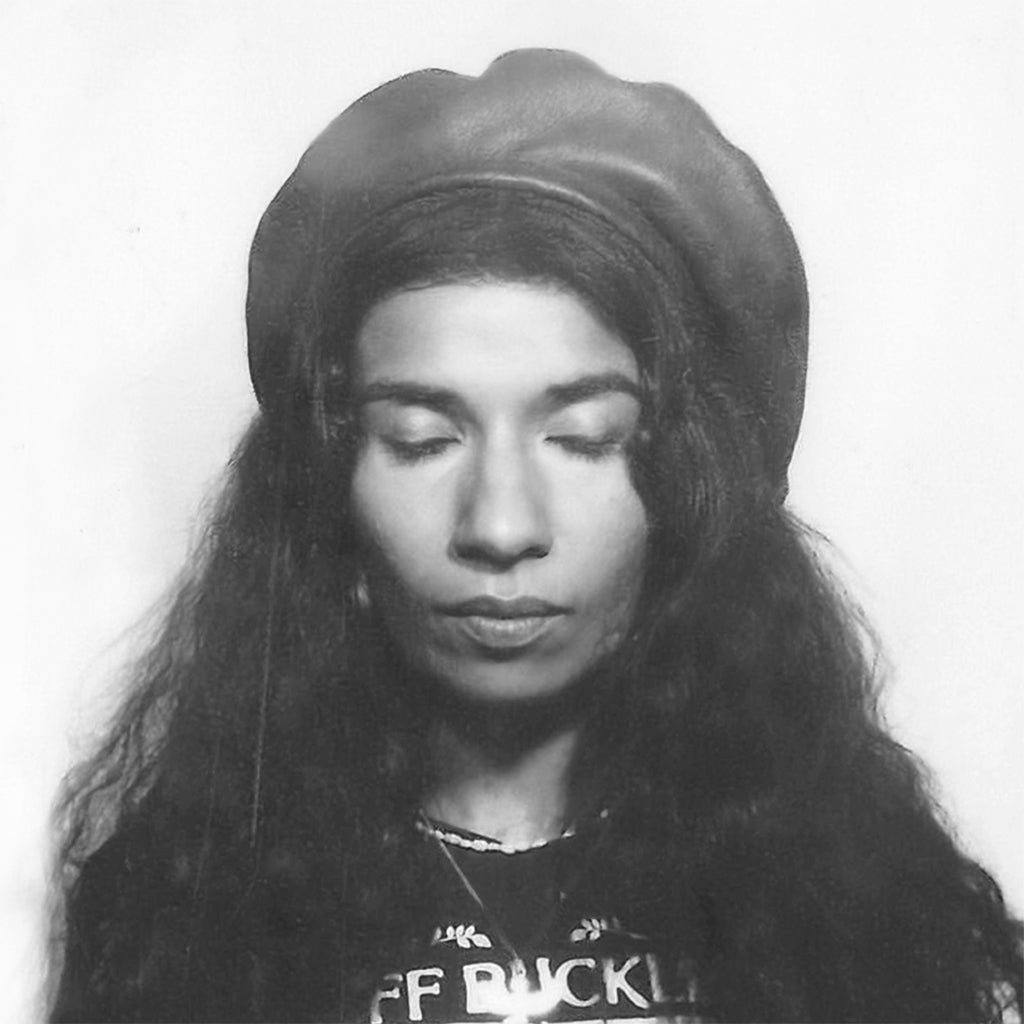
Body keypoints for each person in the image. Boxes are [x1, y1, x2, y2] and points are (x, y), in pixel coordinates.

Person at [48, 49, 1022, 1023]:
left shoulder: (857, 912)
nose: (501, 525)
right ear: (329, 481)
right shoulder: (179, 917)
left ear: (690, 483)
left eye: (583, 438)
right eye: (422, 440)